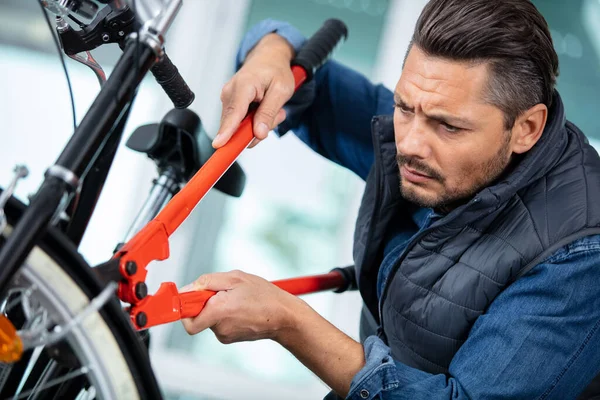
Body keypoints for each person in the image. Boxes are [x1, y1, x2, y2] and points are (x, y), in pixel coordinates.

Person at [179, 0, 600, 398]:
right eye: (403, 107)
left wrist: (288, 322)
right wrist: (271, 50)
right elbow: (298, 81)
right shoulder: (432, 116)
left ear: (526, 128)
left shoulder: (581, 255)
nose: (411, 144)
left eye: (448, 127)